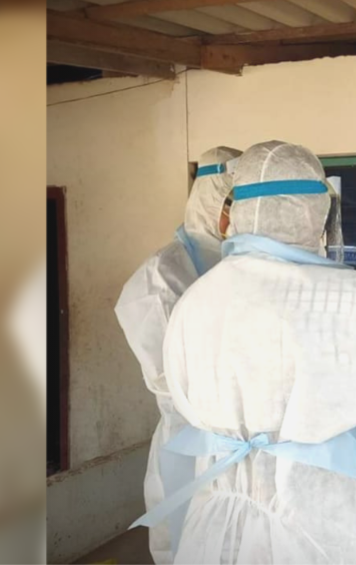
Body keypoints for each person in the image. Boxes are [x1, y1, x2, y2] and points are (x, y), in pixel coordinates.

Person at [139, 140, 356, 565]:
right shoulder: (350, 296)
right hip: (319, 508)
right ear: (315, 210)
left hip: (220, 505)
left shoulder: (195, 300)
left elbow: (179, 393)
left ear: (239, 211)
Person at [114, 146, 240, 565]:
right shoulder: (162, 276)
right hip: (191, 437)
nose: (239, 218)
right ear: (209, 201)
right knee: (190, 541)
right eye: (232, 205)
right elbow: (170, 378)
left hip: (243, 438)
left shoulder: (241, 264)